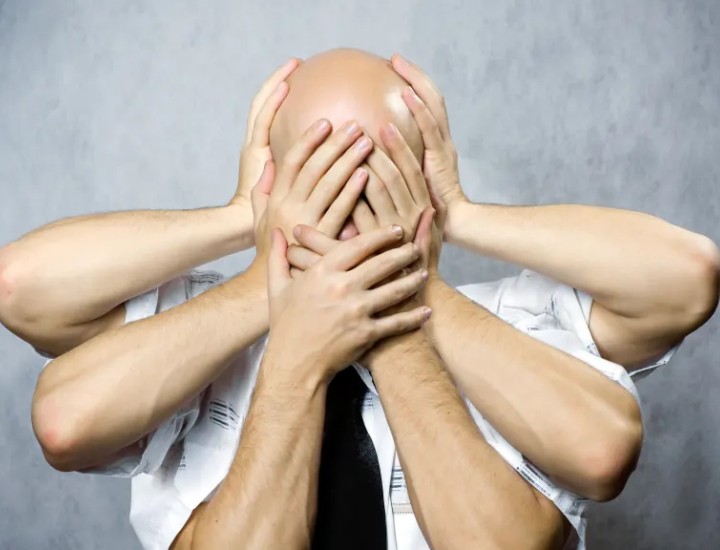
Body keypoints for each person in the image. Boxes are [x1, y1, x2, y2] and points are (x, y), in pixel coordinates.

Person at [0, 48, 717, 550]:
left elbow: (685, 278)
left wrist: (454, 229)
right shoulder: (198, 335)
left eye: (377, 178)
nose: (353, 211)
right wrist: (249, 241)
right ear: (275, 182)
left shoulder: (516, 326)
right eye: (323, 174)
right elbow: (24, 294)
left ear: (422, 182)